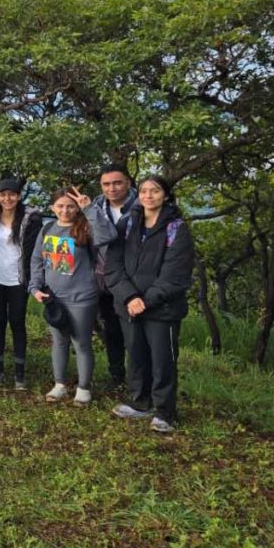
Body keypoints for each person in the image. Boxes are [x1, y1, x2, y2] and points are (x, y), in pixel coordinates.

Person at [105, 175, 194, 433]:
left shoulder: (176, 227)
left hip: (162, 308)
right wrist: (129, 297)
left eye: (154, 191)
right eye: (143, 190)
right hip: (129, 305)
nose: (148, 195)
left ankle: (165, 411)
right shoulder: (128, 223)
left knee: (162, 359)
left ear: (165, 195)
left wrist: (146, 300)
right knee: (136, 353)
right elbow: (113, 265)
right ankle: (139, 402)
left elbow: (176, 273)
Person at [29, 186, 116, 406]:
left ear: (77, 207)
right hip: (53, 297)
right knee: (58, 342)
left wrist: (90, 209)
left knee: (81, 343)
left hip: (82, 296)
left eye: (70, 206)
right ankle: (60, 384)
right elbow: (37, 261)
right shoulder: (47, 228)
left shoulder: (86, 227)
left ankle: (84, 388)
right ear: (52, 208)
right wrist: (35, 287)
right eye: (60, 206)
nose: (65, 210)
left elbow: (109, 236)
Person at [0, 177, 42, 390]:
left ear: (19, 196)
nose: (8, 198)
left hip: (18, 279)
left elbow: (35, 250)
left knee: (17, 322)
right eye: (3, 194)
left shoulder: (31, 218)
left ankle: (19, 374)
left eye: (12, 194)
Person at [92, 163, 137, 385]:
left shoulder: (141, 206)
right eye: (106, 184)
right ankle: (116, 375)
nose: (112, 188)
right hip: (102, 279)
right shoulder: (97, 206)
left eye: (117, 182)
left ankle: (138, 380)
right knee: (111, 329)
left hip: (131, 281)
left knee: (134, 332)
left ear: (128, 182)